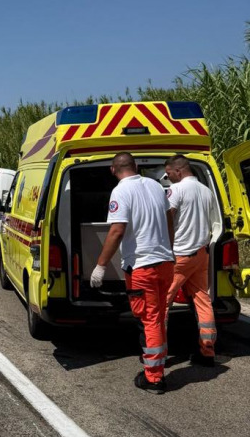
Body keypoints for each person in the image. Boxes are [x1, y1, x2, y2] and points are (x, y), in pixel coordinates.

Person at [91, 152, 174, 394]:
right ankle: (155, 361)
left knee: (148, 320)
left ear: (112, 170)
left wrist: (101, 265)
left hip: (143, 267)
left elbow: (117, 230)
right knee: (157, 316)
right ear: (136, 166)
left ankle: (154, 377)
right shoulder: (155, 186)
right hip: (165, 263)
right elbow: (170, 217)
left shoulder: (120, 191)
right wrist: (168, 246)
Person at [164, 155, 219, 366]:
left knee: (163, 302)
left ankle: (159, 353)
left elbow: (169, 217)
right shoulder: (206, 191)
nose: (168, 178)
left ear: (178, 171)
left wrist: (164, 247)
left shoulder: (176, 191)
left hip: (180, 255)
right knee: (202, 300)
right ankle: (207, 351)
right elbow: (214, 222)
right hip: (201, 254)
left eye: (168, 174)